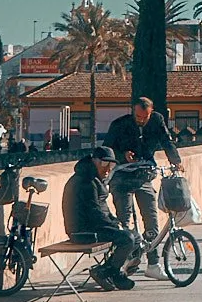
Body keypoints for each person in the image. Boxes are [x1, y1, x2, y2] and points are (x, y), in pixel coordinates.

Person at [105, 97, 182, 260]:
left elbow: (166, 141)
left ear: (151, 112)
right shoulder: (120, 125)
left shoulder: (157, 120)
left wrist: (176, 161)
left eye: (145, 117)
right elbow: (107, 151)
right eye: (138, 116)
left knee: (151, 221)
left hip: (143, 176)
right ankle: (121, 262)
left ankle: (153, 263)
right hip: (122, 178)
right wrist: (123, 155)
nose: (141, 120)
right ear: (133, 111)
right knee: (125, 221)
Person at [61, 146, 138, 290]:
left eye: (111, 165)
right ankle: (104, 272)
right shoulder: (86, 181)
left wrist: (116, 222)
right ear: (94, 161)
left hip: (94, 227)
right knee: (127, 239)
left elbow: (103, 210)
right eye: (104, 164)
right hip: (82, 231)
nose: (107, 169)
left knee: (134, 236)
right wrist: (114, 226)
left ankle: (113, 273)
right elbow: (94, 212)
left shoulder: (94, 178)